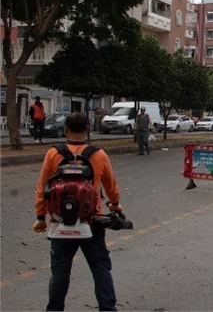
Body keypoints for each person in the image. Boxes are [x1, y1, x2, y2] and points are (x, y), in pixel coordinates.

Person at [32, 112, 123, 311]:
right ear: (88, 129)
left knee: (60, 271)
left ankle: (54, 309)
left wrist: (41, 217)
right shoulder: (99, 154)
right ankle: (108, 308)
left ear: (66, 130)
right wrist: (115, 204)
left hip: (60, 221)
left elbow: (42, 188)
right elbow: (111, 186)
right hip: (92, 221)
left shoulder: (53, 154)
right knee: (100, 267)